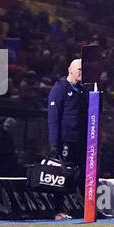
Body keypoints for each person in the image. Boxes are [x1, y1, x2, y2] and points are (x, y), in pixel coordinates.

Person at [46, 57, 87, 187]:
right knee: (61, 176)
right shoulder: (60, 88)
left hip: (79, 141)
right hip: (65, 140)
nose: (82, 72)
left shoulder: (83, 91)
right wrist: (54, 143)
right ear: (70, 70)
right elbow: (53, 117)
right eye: (79, 69)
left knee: (78, 175)